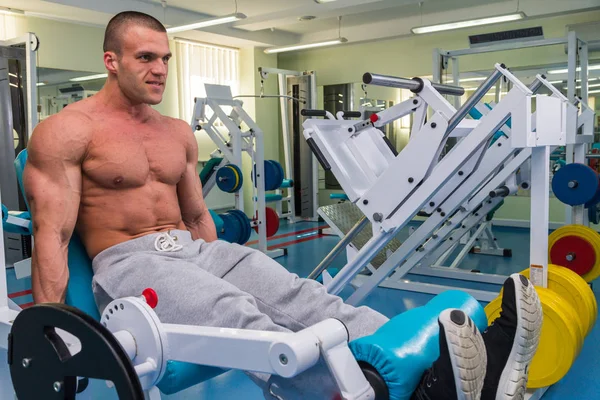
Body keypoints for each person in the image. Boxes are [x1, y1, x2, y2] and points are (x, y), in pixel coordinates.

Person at [22, 11, 542, 400]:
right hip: (132, 260)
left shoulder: (176, 133)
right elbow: (53, 234)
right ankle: (359, 389)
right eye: (145, 58)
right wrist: (50, 331)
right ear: (111, 61)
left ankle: (455, 365)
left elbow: (199, 216)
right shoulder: (69, 130)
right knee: (234, 316)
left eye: (165, 59)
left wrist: (218, 262)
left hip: (195, 249)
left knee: (308, 298)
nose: (159, 69)